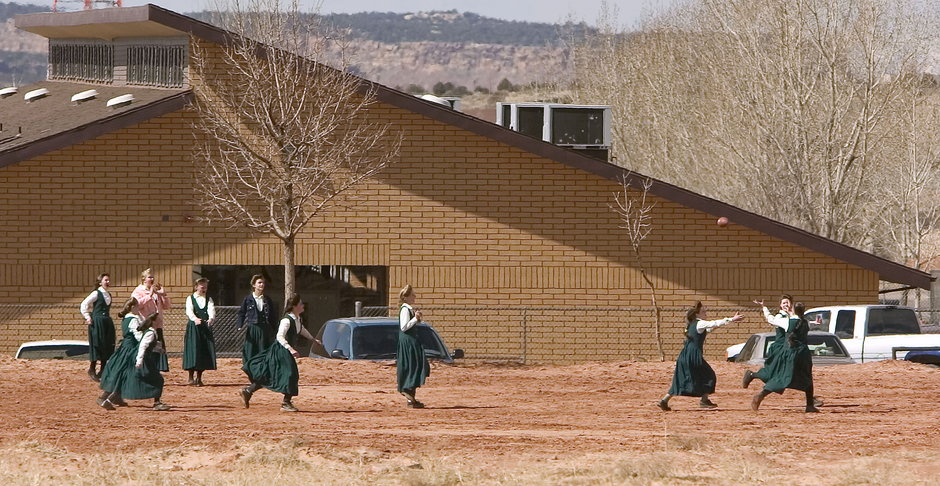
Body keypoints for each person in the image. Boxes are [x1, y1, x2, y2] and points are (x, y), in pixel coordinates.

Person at [658, 301, 744, 411]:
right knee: (709, 375)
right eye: (703, 311)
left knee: (681, 379)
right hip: (693, 355)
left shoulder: (693, 325)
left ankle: (664, 400)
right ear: (697, 314)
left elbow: (710, 328)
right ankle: (704, 400)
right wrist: (732, 319)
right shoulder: (700, 323)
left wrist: (729, 321)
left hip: (685, 355)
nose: (705, 313)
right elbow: (713, 323)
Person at [743, 296, 823, 408]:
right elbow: (805, 323)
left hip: (790, 352)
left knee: (782, 377)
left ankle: (761, 395)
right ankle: (809, 405)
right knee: (806, 378)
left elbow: (772, 320)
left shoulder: (787, 321)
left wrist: (765, 308)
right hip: (803, 354)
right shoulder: (804, 322)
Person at [240, 294, 314, 412]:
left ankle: (248, 391)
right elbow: (279, 336)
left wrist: (312, 339)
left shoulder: (297, 318)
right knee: (291, 374)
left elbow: (301, 329)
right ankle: (286, 403)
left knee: (270, 374)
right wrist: (291, 349)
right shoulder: (286, 320)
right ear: (294, 306)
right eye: (300, 303)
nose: (302, 305)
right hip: (280, 350)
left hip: (285, 350)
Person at [96, 298, 167, 410]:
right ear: (132, 307)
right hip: (130, 349)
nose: (139, 308)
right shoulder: (133, 320)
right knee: (123, 374)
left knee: (119, 372)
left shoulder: (126, 318)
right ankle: (106, 397)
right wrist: (151, 343)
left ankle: (111, 397)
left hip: (125, 348)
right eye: (137, 306)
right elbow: (138, 336)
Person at [236, 274, 278, 377]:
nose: (262, 285)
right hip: (252, 328)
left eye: (263, 283)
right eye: (259, 283)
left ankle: (263, 374)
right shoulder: (248, 299)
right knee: (250, 351)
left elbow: (272, 315)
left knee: (263, 351)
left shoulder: (267, 299)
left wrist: (275, 329)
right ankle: (251, 373)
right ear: (254, 285)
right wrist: (240, 325)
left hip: (264, 329)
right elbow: (241, 313)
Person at [131, 268, 171, 372]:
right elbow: (137, 305)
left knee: (158, 349)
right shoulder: (138, 291)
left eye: (153, 277)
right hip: (145, 325)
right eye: (149, 277)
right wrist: (149, 295)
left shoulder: (156, 291)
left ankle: (156, 370)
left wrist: (163, 295)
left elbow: (166, 306)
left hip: (157, 324)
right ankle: (143, 370)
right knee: (147, 349)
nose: (152, 279)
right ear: (144, 279)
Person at [397, 285, 430, 408]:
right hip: (408, 341)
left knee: (415, 364)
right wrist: (415, 319)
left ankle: (411, 397)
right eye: (412, 295)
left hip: (411, 340)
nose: (414, 297)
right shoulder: (405, 309)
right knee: (412, 365)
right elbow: (404, 327)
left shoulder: (409, 309)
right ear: (406, 297)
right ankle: (407, 389)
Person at [80, 273, 116, 382]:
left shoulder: (108, 294)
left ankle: (103, 370)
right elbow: (84, 304)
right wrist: (88, 317)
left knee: (107, 344)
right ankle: (92, 369)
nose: (108, 282)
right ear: (100, 282)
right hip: (98, 321)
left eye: (109, 280)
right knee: (97, 344)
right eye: (106, 280)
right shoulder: (96, 293)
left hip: (106, 321)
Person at [182, 278, 217, 386]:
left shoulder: (209, 299)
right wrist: (194, 319)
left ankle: (199, 378)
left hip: (204, 328)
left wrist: (211, 318)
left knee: (203, 351)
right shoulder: (190, 298)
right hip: (194, 327)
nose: (204, 288)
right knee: (193, 350)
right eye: (202, 286)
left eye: (205, 286)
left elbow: (211, 310)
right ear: (196, 286)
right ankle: (190, 377)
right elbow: (189, 310)